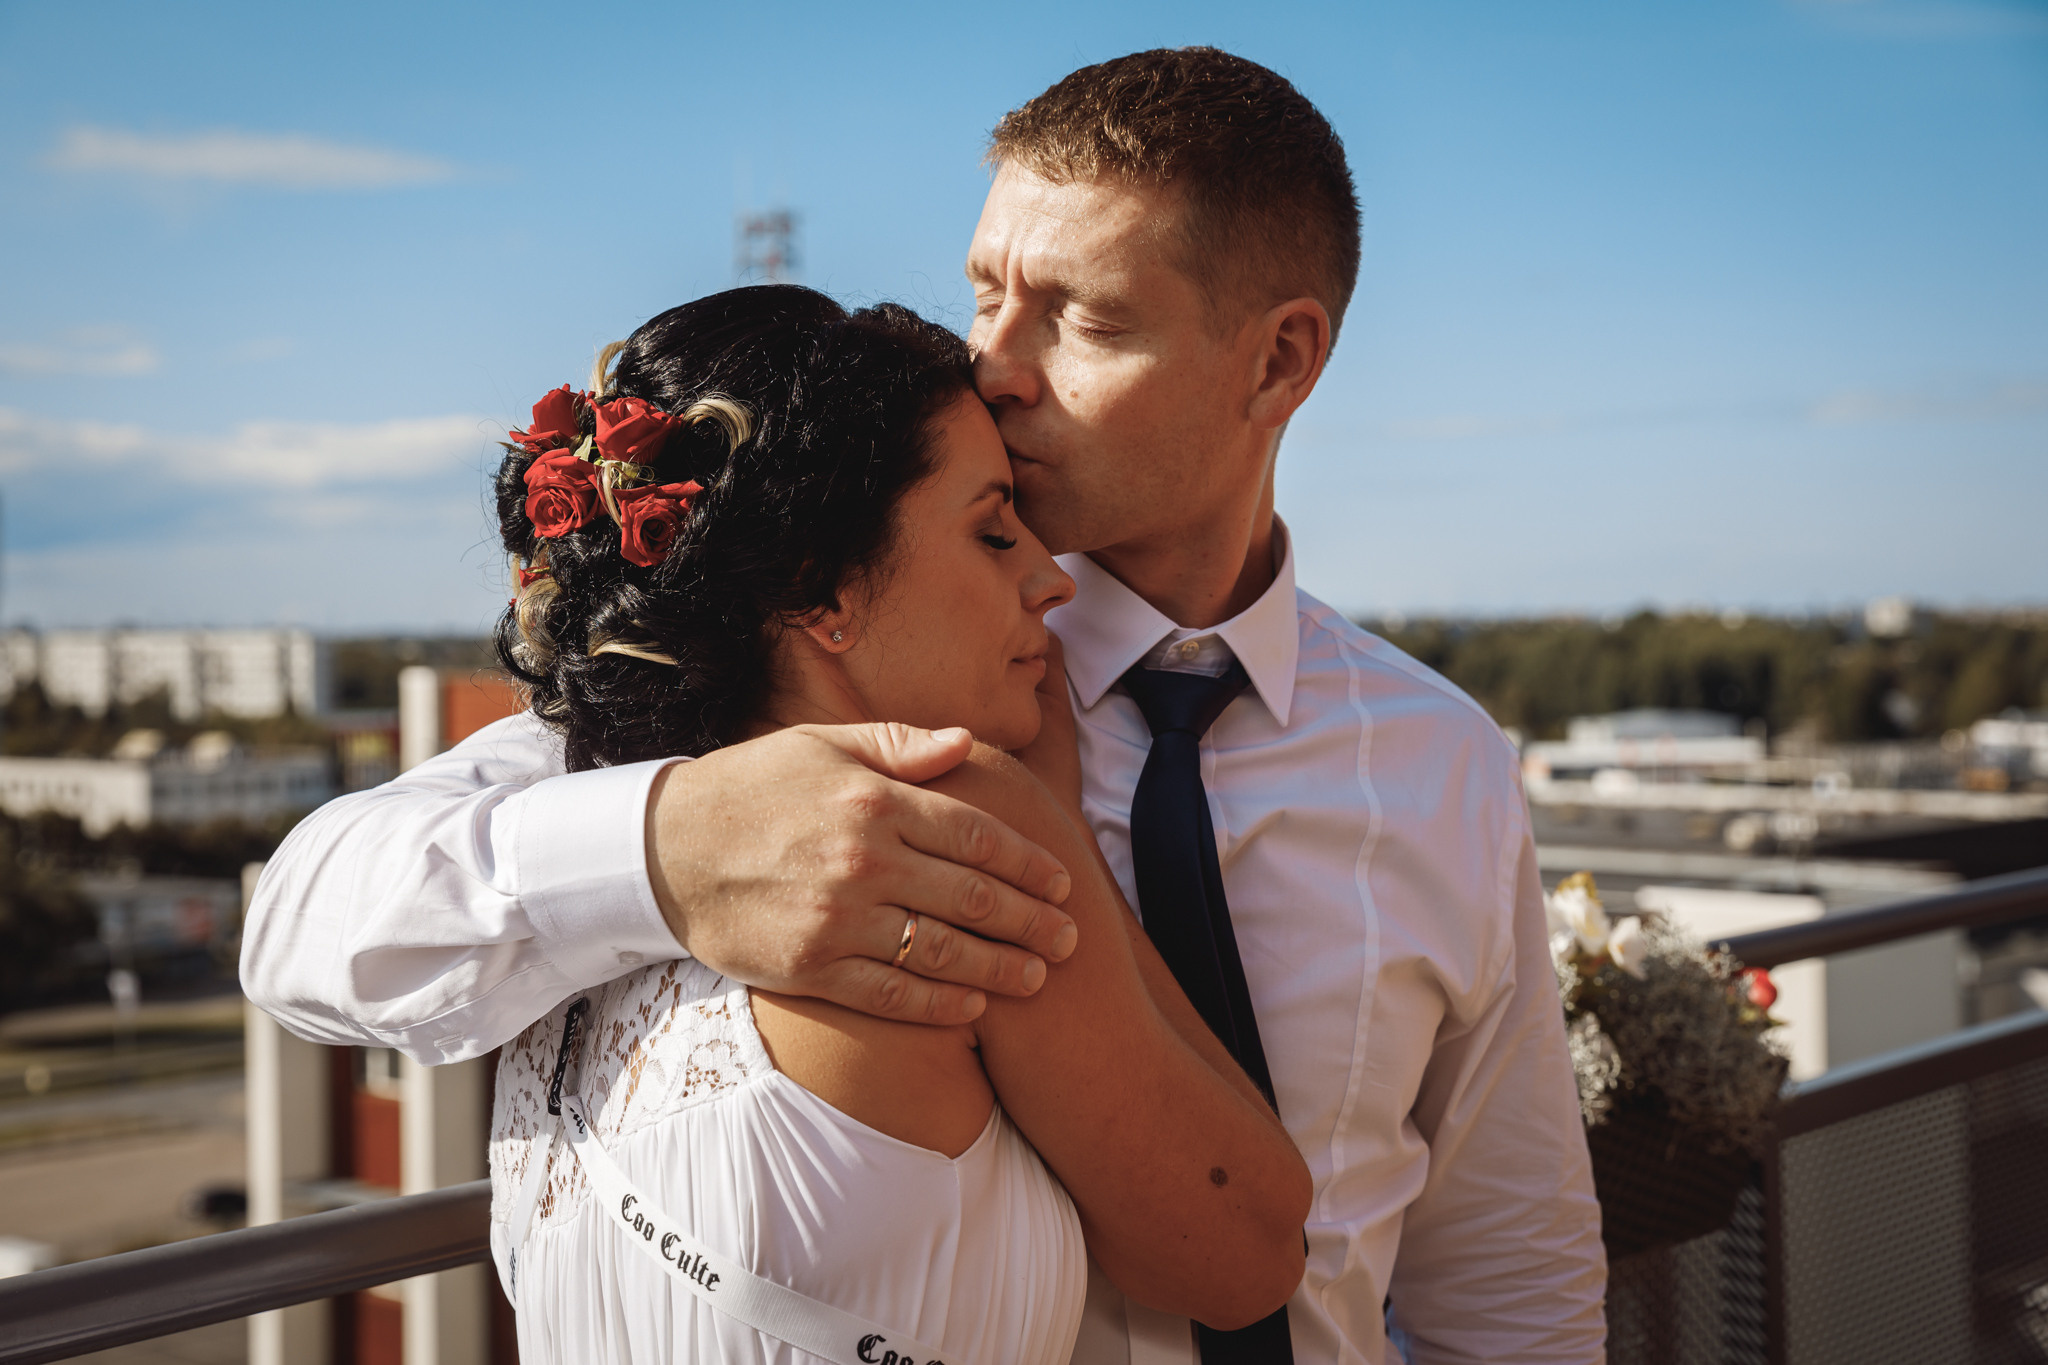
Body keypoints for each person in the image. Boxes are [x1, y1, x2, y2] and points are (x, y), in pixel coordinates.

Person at [243, 47, 1606, 1364]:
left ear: (1277, 363)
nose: (997, 364)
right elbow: (311, 921)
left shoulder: (1445, 766)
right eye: (986, 293)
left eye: (1079, 316)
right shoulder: (812, 689)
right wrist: (674, 846)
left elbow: (1510, 1283)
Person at [479, 287, 1308, 1363]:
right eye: (993, 530)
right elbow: (1242, 1252)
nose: (1049, 581)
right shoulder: (941, 823)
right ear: (819, 592)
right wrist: (1052, 823)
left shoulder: (580, 845)